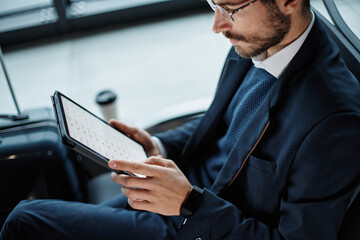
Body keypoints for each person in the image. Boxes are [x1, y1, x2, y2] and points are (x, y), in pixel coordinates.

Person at [1, 0, 360, 239]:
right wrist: (158, 145)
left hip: (201, 221)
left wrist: (188, 203)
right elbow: (222, 125)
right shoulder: (262, 39)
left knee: (24, 220)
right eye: (213, 4)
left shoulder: (333, 122)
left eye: (229, 9)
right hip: (182, 186)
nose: (217, 25)